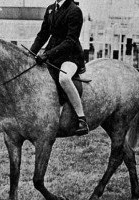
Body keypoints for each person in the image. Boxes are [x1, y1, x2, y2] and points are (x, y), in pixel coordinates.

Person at [30, 0, 89, 135]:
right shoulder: (51, 9)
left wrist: (47, 55)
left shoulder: (74, 10)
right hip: (53, 53)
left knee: (64, 78)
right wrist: (30, 53)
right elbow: (43, 34)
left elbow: (71, 40)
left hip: (70, 55)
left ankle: (81, 118)